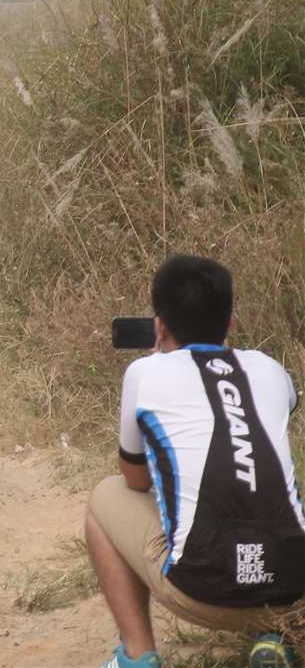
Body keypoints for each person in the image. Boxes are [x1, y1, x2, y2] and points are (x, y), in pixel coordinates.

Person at [85, 255, 303, 668]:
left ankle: (137, 657)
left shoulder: (144, 373)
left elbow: (135, 479)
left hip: (201, 593)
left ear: (159, 326)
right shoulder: (270, 369)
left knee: (105, 495)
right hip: (291, 591)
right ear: (230, 324)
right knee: (275, 483)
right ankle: (276, 636)